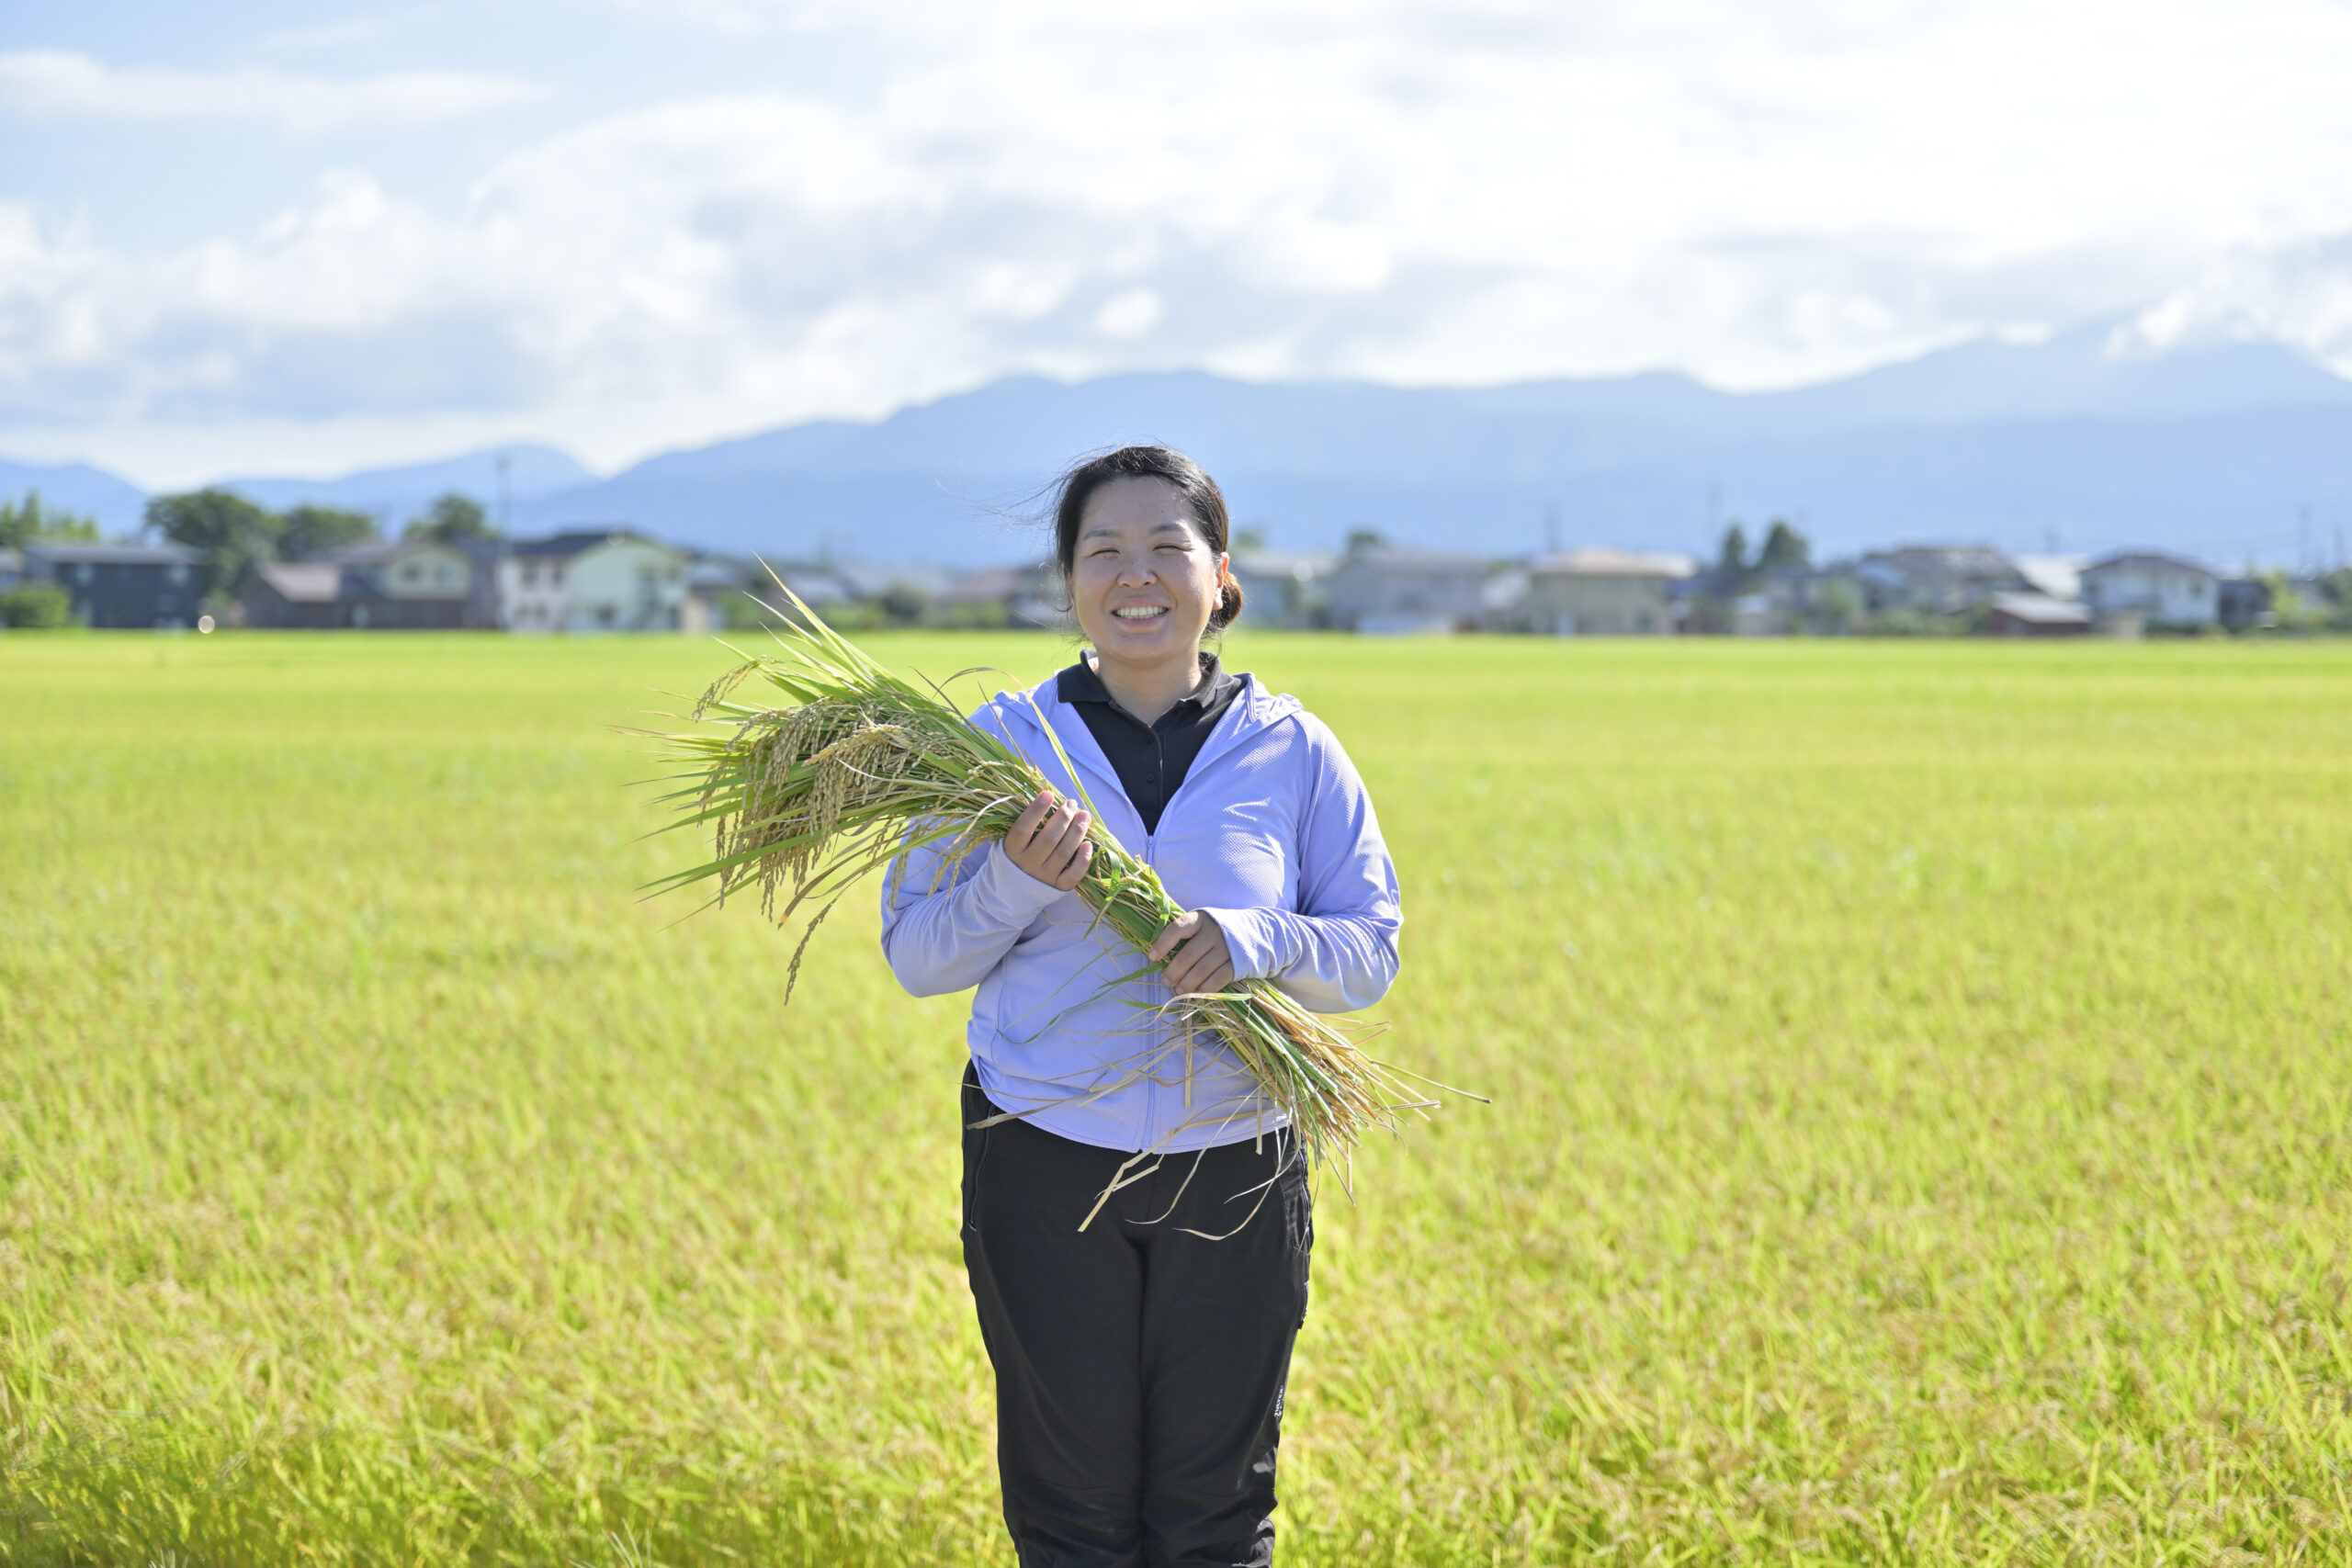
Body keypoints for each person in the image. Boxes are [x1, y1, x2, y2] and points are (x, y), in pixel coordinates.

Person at [878, 446, 1403, 1566]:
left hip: (1238, 1160)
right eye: (1103, 550)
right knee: (1070, 1517)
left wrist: (1252, 942)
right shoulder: (1001, 747)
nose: (1137, 575)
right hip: (1041, 1152)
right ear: (1067, 581)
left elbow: (1368, 951)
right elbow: (919, 955)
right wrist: (1019, 876)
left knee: (1218, 1512)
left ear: (1221, 578)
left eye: (1169, 547)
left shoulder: (1294, 748)